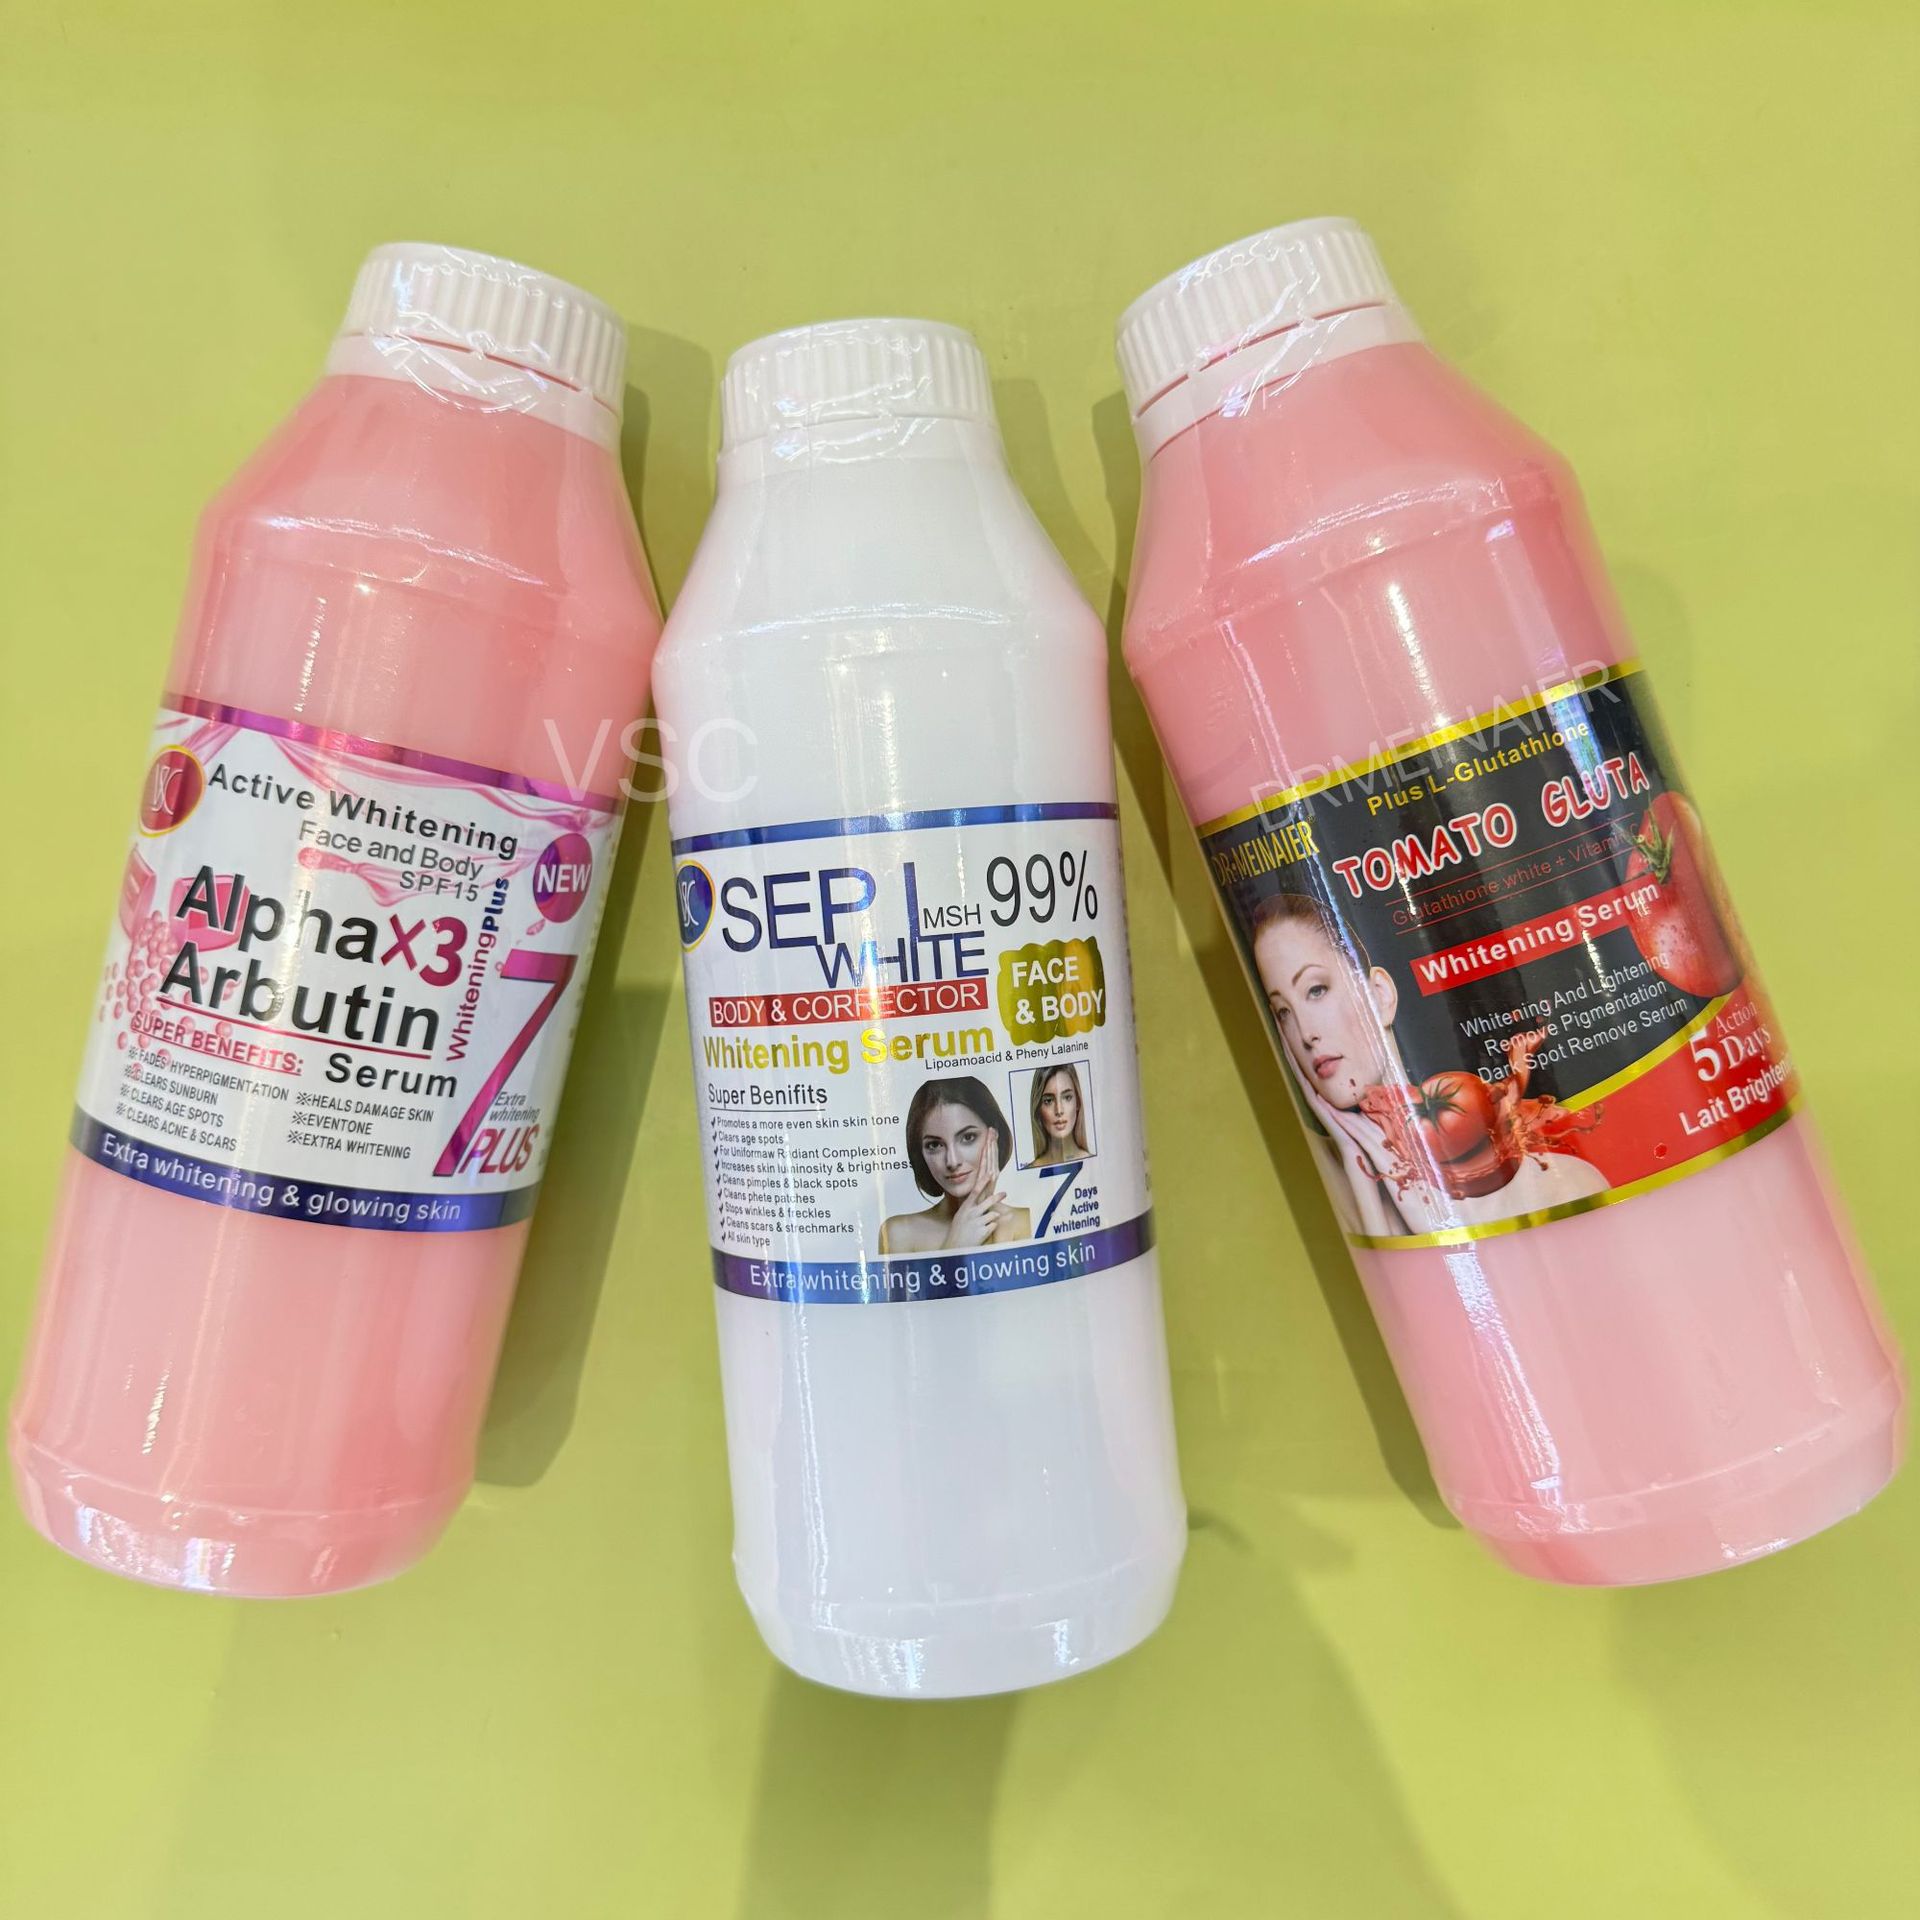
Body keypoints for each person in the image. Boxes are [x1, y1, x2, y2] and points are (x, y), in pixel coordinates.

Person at [1248, 891, 1608, 1237]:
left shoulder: (1558, 1181)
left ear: (1379, 996)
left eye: (1316, 990)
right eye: (1283, 1011)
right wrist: (1355, 1167)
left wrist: (1438, 1223)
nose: (1305, 1033)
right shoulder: (1317, 1177)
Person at [880, 1075, 1033, 1253]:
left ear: (994, 1136)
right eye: (934, 1145)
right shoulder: (898, 1233)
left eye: (968, 1137)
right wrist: (955, 1245)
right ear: (920, 1152)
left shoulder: (1026, 1221)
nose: (952, 1161)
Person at [1027, 1061, 1091, 1166]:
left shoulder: (1096, 1163)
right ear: (1038, 1109)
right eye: (1048, 1101)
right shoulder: (1028, 1171)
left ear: (1078, 1103)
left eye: (1067, 1097)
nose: (1059, 1110)